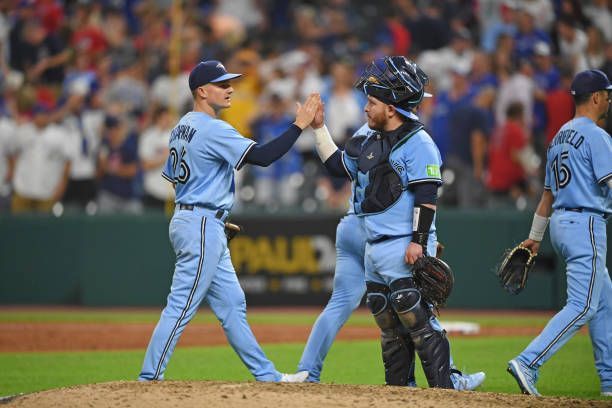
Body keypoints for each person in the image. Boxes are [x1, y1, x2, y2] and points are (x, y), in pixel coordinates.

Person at [138, 60, 319, 383]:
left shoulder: (182, 126)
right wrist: (299, 125)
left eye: (229, 83)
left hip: (195, 218)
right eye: (222, 85)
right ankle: (149, 379)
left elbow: (177, 178)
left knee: (233, 304)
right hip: (202, 222)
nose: (230, 88)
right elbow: (263, 157)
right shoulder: (212, 128)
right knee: (180, 306)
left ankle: (267, 376)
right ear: (202, 91)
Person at [306, 56, 468, 389]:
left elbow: (426, 196)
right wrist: (319, 128)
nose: (366, 108)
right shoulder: (371, 139)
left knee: (417, 319)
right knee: (387, 322)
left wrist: (419, 242)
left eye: (373, 102)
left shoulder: (418, 142)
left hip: (399, 243)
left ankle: (447, 391)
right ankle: (399, 393)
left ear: (391, 109)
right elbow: (338, 167)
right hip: (373, 244)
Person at [507, 69, 612, 397]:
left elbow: (547, 197)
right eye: (607, 94)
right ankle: (528, 362)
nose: (609, 99)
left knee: (603, 299)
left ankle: (609, 381)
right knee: (582, 306)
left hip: (561, 224)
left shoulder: (559, 137)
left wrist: (535, 238)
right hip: (586, 223)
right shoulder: (596, 135)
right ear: (595, 97)